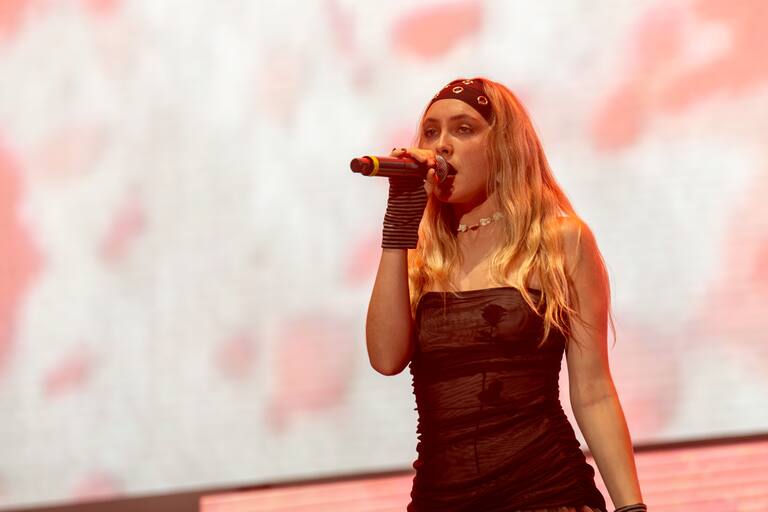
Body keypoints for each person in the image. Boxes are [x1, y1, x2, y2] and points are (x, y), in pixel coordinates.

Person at [365, 77, 646, 512]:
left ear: (504, 147)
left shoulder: (559, 240)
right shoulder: (420, 256)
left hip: (545, 492)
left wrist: (631, 508)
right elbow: (385, 359)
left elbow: (593, 391)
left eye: (463, 129)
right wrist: (400, 221)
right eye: (431, 131)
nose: (441, 145)